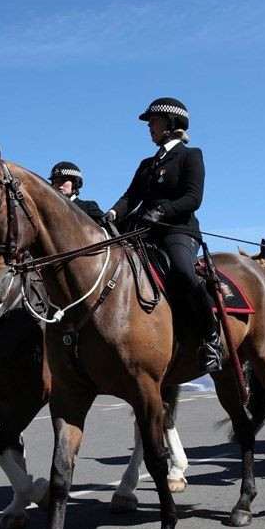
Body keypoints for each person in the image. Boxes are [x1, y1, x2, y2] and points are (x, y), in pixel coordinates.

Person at [107, 97, 222, 372]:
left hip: (177, 229)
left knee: (183, 270)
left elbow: (193, 198)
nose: (150, 127)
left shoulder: (190, 155)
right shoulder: (147, 163)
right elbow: (130, 197)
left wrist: (161, 212)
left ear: (171, 124)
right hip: (142, 230)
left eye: (154, 122)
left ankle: (211, 337)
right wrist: (112, 214)